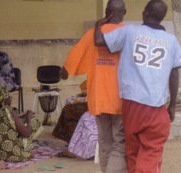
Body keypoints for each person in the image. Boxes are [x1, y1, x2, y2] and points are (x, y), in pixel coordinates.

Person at [94, 0, 181, 172]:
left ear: (144, 14)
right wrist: (171, 106)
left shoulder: (129, 31)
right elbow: (174, 74)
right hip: (155, 107)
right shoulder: (171, 41)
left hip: (131, 105)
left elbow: (98, 41)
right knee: (151, 152)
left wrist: (99, 24)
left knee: (132, 151)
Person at [60, 0, 127, 172]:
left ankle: (106, 170)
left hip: (99, 97)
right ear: (124, 12)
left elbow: (71, 61)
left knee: (105, 141)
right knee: (120, 142)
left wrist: (65, 69)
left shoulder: (92, 34)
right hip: (121, 97)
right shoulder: (127, 33)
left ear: (106, 12)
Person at [0, 86, 42, 162]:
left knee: (20, 123)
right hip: (14, 155)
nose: (11, 99)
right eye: (9, 97)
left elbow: (8, 122)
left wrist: (23, 117)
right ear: (4, 100)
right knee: (33, 121)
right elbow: (26, 133)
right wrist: (29, 117)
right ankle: (24, 150)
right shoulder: (9, 111)